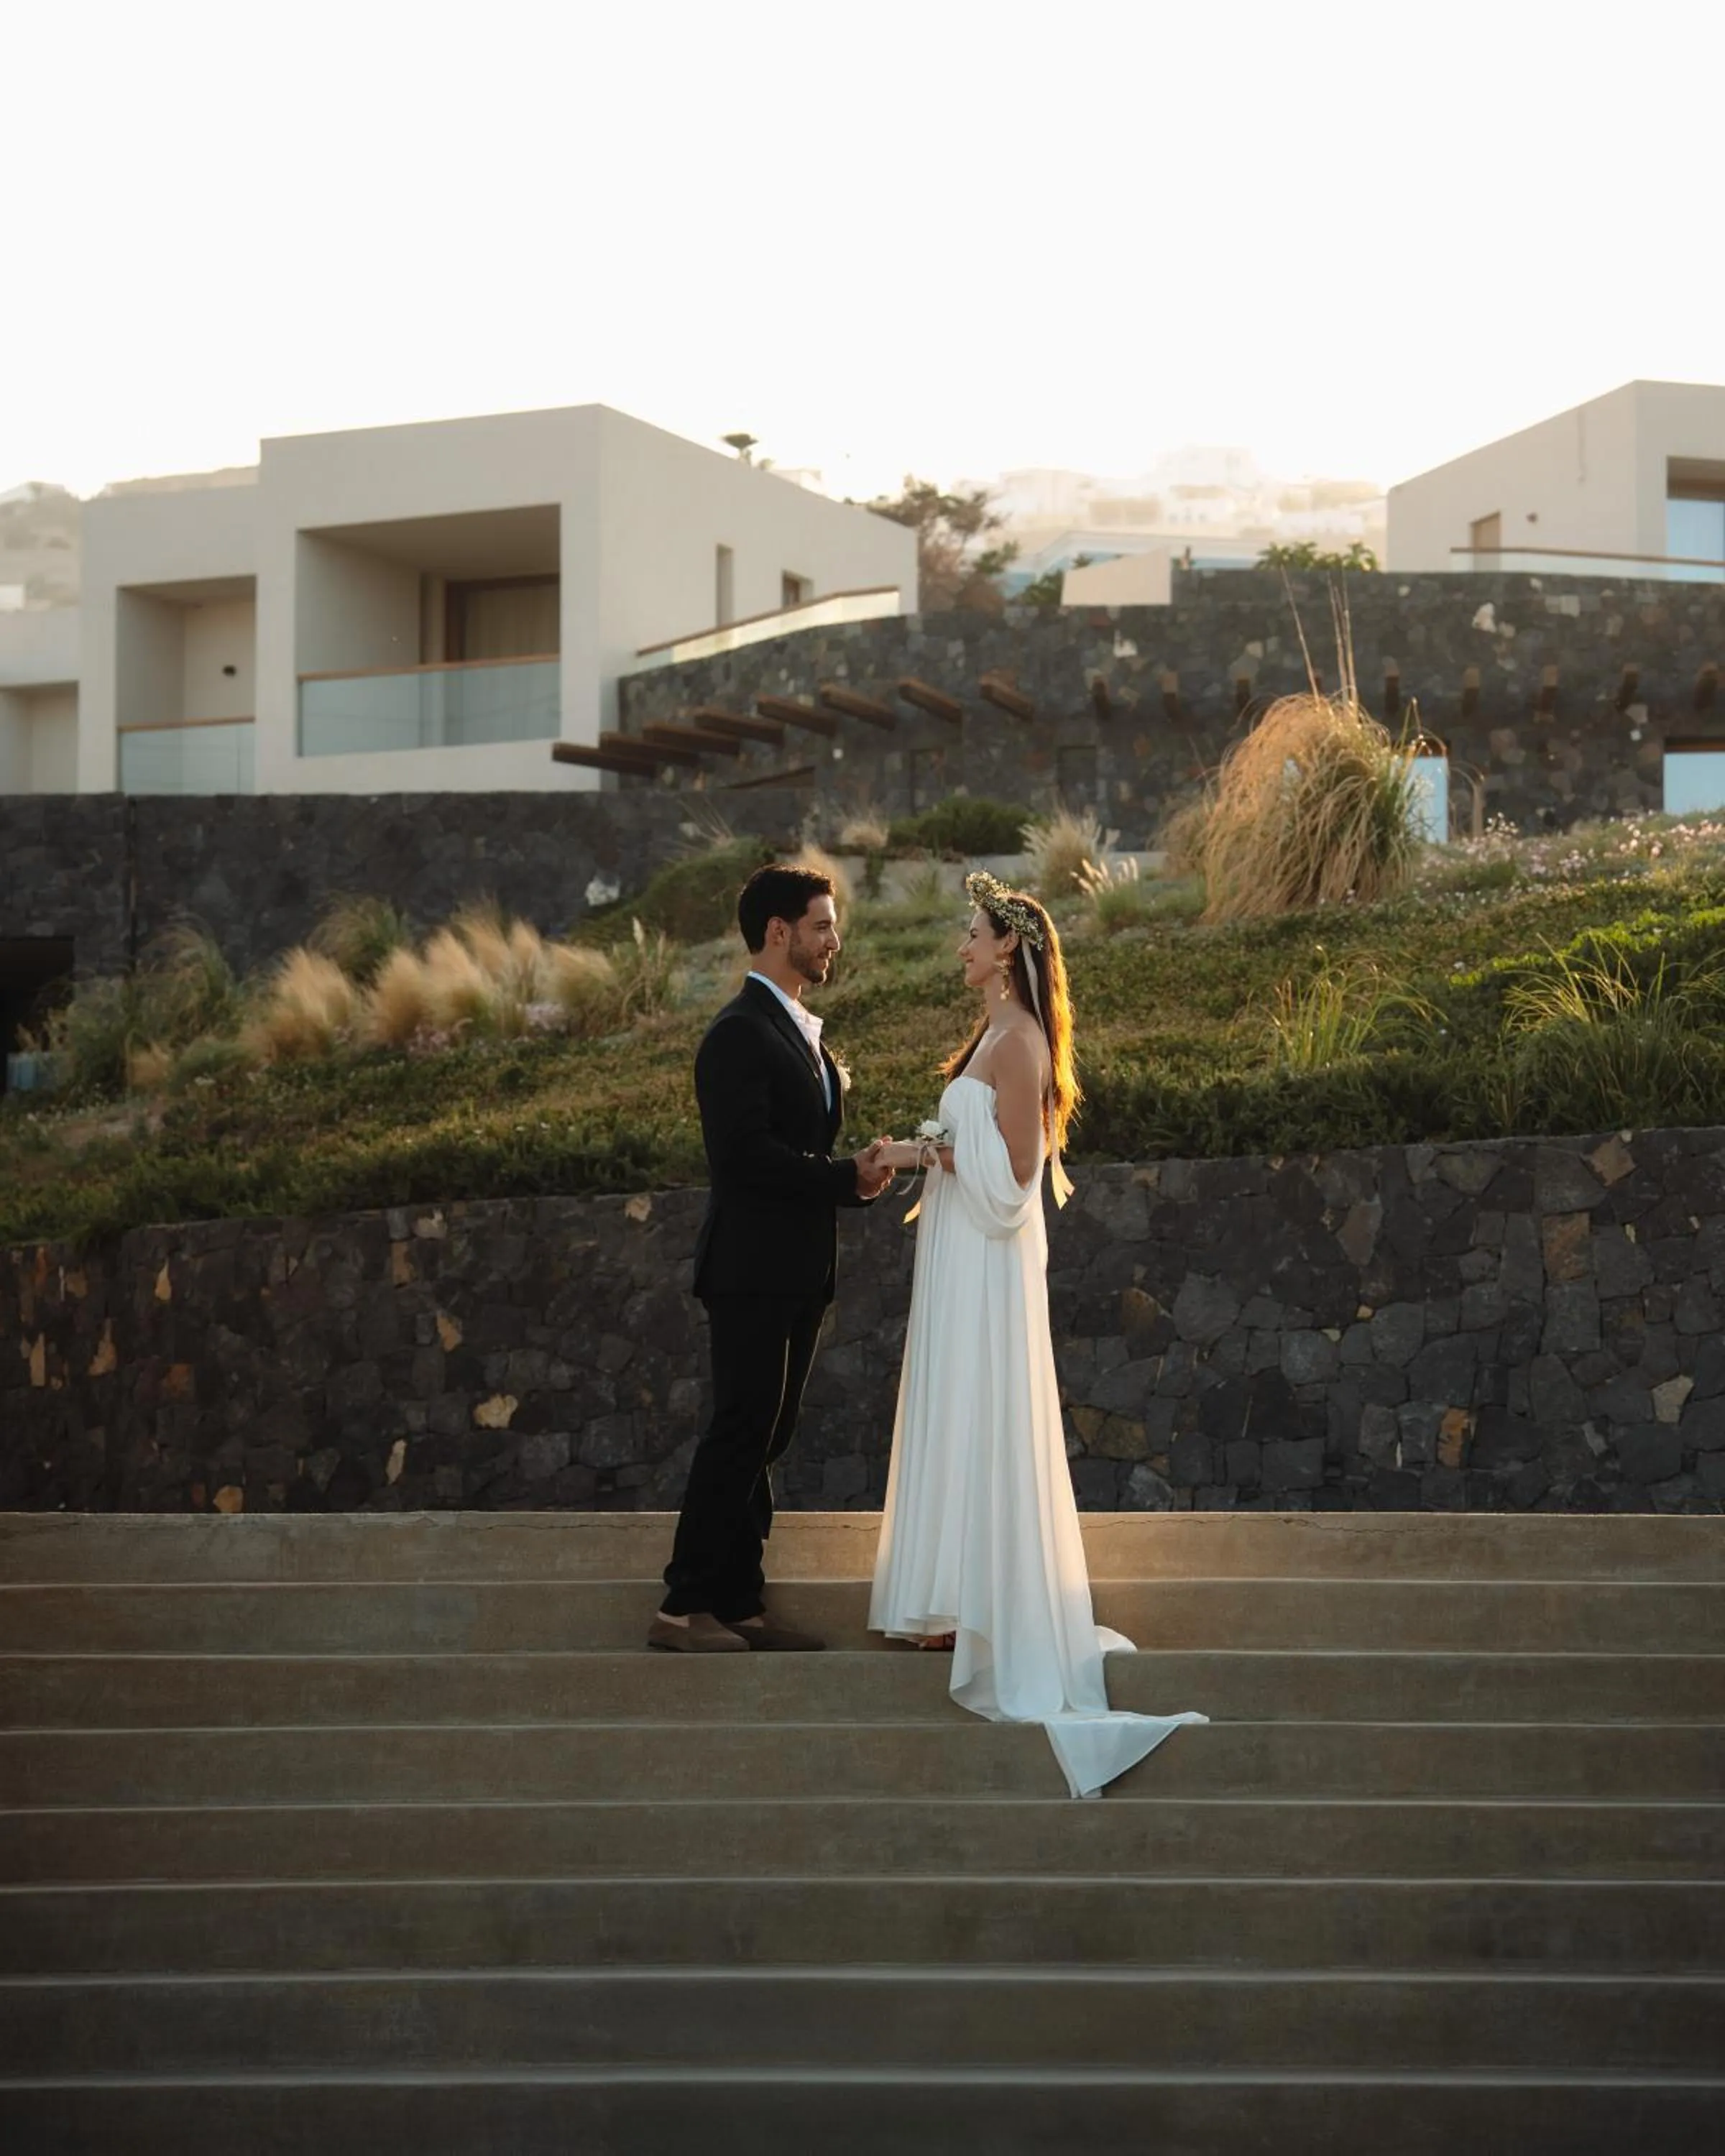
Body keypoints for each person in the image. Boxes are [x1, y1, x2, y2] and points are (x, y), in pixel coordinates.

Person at [867, 869, 1206, 1796]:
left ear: (1009, 945)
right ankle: (953, 1600)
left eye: (972, 932)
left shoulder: (1017, 1042)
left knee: (984, 1412)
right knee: (955, 1413)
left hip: (985, 1260)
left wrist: (918, 1152)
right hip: (959, 1257)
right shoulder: (992, 1036)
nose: (962, 945)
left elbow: (1015, 1180)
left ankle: (984, 1608)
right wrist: (927, 1153)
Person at [650, 862, 892, 1655]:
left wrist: (849, 1179)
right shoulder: (736, 1034)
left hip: (795, 1269)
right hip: (751, 1269)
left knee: (767, 1436)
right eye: (822, 925)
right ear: (779, 933)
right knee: (740, 1430)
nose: (835, 940)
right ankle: (684, 1607)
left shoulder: (793, 1027)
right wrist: (841, 1178)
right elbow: (744, 1157)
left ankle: (741, 1602)